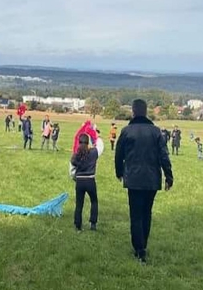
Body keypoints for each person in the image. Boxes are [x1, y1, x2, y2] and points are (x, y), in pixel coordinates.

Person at [114, 99, 173, 264]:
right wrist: (169, 176)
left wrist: (119, 172)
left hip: (133, 179)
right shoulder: (156, 132)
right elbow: (164, 155)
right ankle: (143, 245)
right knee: (147, 213)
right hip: (152, 179)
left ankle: (139, 249)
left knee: (136, 215)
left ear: (133, 112)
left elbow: (119, 154)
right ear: (146, 112)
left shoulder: (126, 131)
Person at [71, 133, 104, 231]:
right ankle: (93, 224)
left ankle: (78, 225)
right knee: (94, 201)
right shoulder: (94, 152)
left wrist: (74, 178)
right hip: (90, 180)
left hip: (80, 181)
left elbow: (71, 169)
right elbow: (101, 145)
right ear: (88, 142)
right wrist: (96, 135)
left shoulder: (76, 155)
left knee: (79, 203)